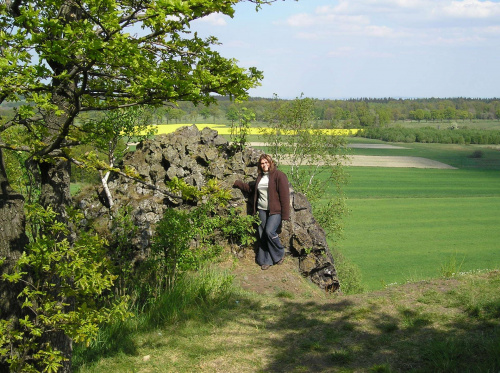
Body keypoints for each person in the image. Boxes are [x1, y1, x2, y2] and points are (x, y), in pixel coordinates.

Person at [233, 154, 290, 270]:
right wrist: (238, 183)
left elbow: (285, 196)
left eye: (266, 162)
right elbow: (251, 189)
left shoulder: (279, 176)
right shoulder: (260, 177)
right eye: (262, 163)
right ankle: (266, 260)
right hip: (262, 210)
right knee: (262, 235)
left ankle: (279, 253)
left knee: (269, 232)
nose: (264, 165)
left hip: (275, 211)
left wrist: (285, 215)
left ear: (271, 162)